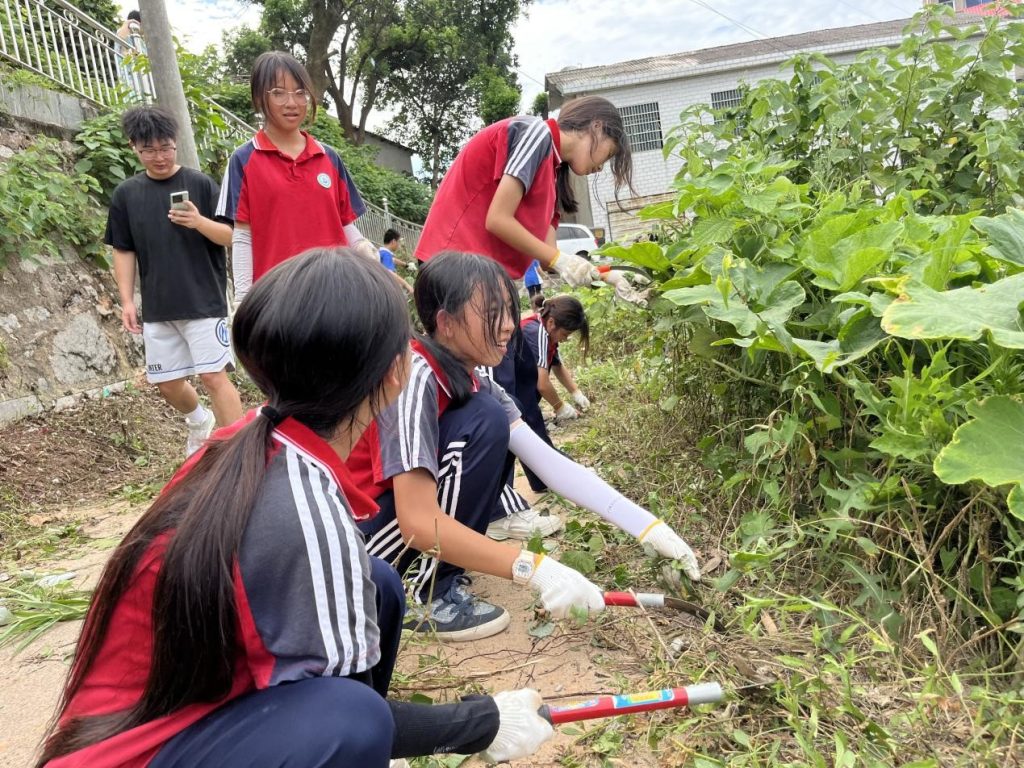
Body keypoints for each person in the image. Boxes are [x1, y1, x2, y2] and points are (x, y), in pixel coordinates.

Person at [35, 250, 555, 768]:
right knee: (354, 718)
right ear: (396, 372)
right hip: (138, 755)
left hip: (156, 725)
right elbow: (348, 710)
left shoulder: (248, 443)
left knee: (379, 585)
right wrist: (483, 723)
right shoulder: (303, 506)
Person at [348, 252, 702, 643]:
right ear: (445, 322)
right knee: (484, 420)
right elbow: (416, 520)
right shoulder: (415, 379)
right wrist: (533, 569)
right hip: (363, 538)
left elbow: (547, 464)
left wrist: (647, 527)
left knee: (489, 420)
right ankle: (423, 592)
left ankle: (437, 572)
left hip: (395, 523)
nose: (507, 326)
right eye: (491, 314)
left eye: (509, 310)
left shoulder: (476, 380)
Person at [107, 106, 243, 458]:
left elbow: (229, 236)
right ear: (133, 148)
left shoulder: (199, 184)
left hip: (203, 301)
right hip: (158, 306)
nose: (160, 157)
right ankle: (200, 421)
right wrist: (126, 300)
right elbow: (123, 250)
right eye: (149, 150)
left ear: (176, 143)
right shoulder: (126, 194)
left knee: (214, 377)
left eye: (166, 147)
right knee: (167, 385)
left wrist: (198, 222)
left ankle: (239, 452)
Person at [216, 51, 380, 302]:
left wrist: (363, 248)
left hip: (338, 293)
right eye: (278, 93)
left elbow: (343, 224)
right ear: (260, 98)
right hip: (279, 300)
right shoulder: (243, 160)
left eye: (300, 92)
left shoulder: (329, 157)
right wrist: (242, 299)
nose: (291, 102)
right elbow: (242, 236)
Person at [115, 11, 149, 100]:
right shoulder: (124, 32)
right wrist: (128, 23)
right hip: (130, 77)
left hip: (139, 78)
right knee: (134, 99)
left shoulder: (138, 38)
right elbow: (123, 47)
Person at [379, 229, 413, 295]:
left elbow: (393, 260)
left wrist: (406, 265)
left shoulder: (381, 252)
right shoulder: (386, 255)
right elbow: (389, 272)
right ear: (393, 241)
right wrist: (406, 285)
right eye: (398, 242)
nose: (399, 245)